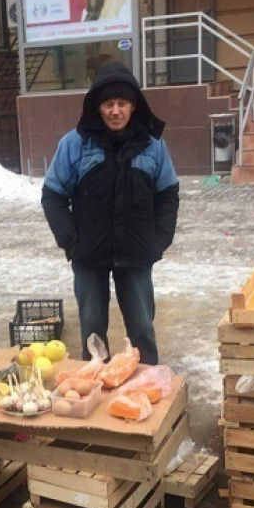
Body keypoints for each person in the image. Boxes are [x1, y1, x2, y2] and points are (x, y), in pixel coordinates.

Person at [41, 62, 179, 365]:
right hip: (89, 254)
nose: (115, 111)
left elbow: (168, 195)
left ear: (133, 106)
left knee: (142, 329)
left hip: (137, 252)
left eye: (122, 103)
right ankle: (94, 389)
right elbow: (52, 195)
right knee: (92, 332)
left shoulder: (152, 145)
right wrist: (72, 243)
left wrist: (159, 240)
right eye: (108, 104)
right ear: (97, 107)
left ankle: (147, 389)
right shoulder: (75, 144)